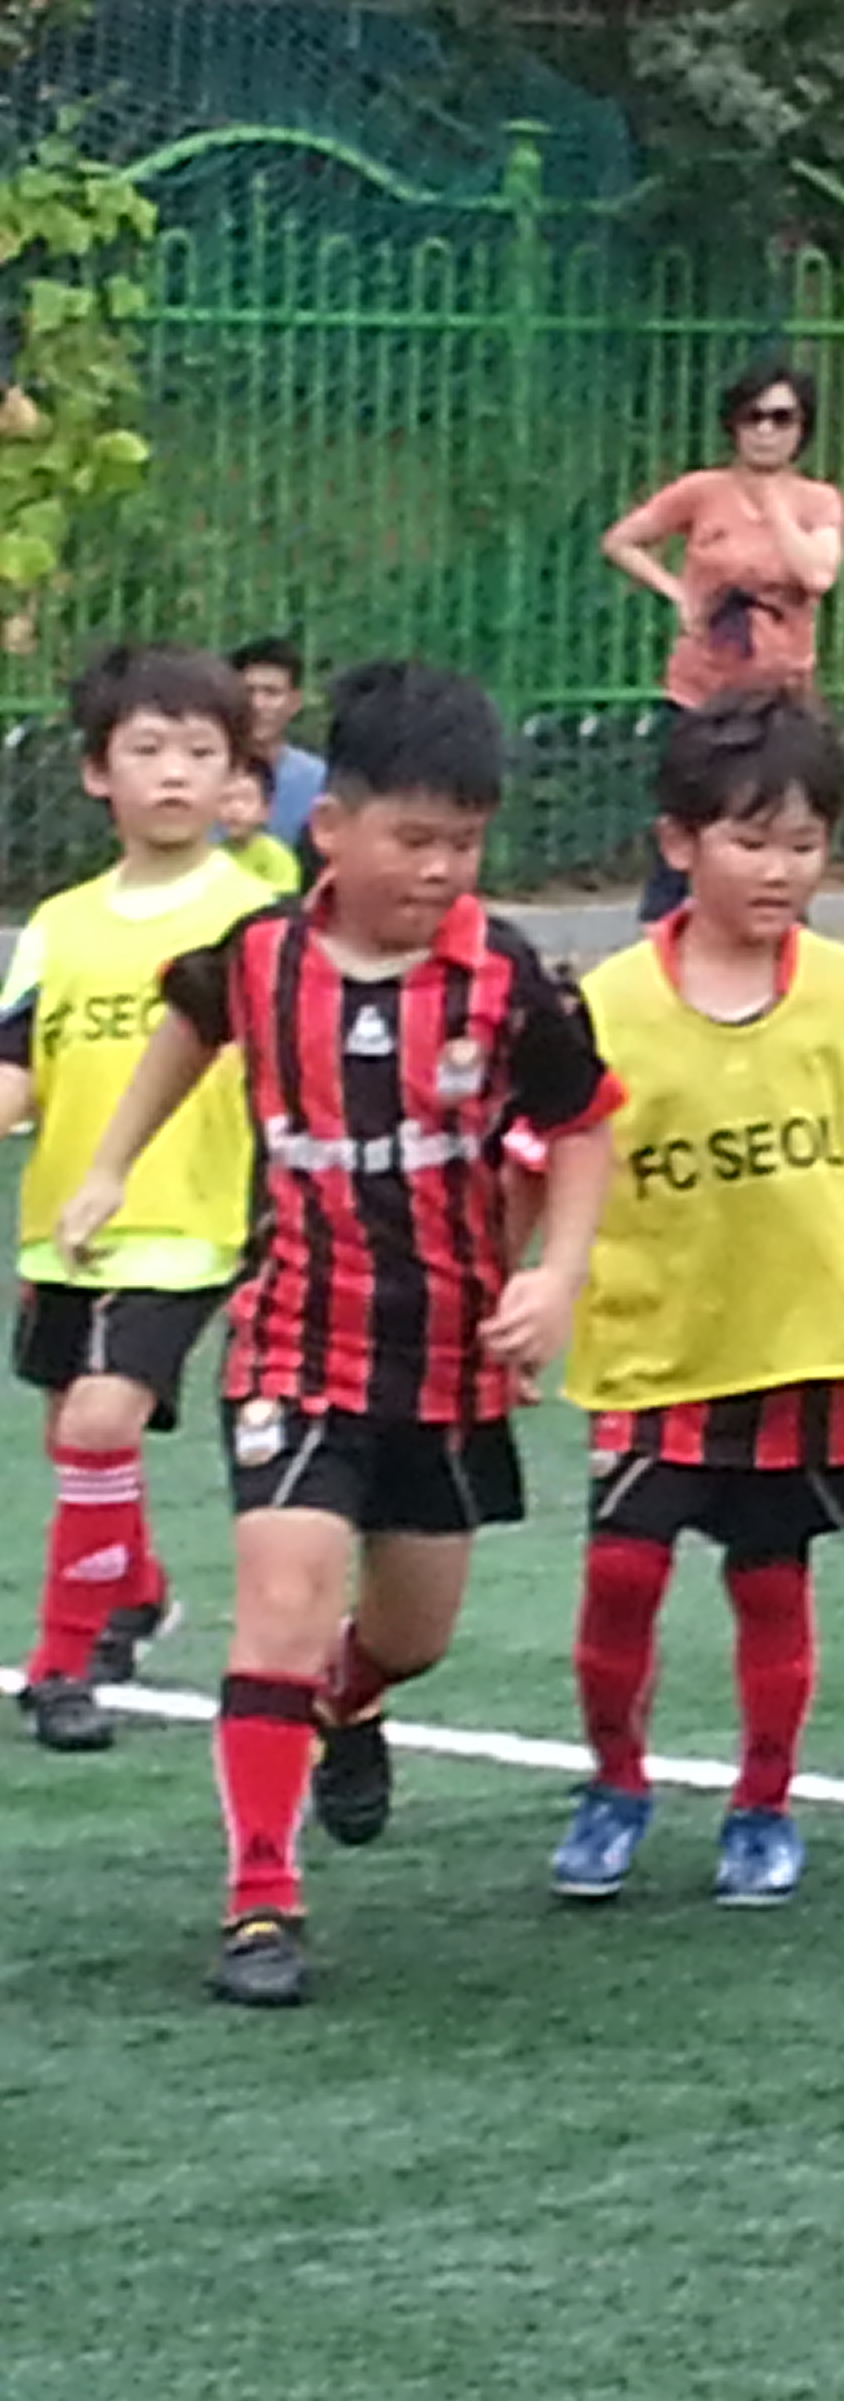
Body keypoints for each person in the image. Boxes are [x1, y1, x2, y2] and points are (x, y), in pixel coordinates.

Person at [56, 661, 620, 2008]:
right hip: (296, 1345)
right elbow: (186, 1025)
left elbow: (586, 1122)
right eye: (413, 839)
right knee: (282, 1605)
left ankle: (355, 1700)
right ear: (333, 827)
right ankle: (260, 1904)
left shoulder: (504, 976)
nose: (439, 870)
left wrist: (558, 1275)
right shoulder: (262, 956)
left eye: (463, 843)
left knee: (411, 1631)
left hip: (446, 1362)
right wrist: (110, 1166)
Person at [548, 696, 844, 1910]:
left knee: (772, 1581)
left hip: (799, 1347)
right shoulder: (609, 1002)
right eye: (751, 841)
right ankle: (614, 1785)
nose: (780, 870)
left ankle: (763, 1805)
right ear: (679, 843)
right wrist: (536, 1287)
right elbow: (550, 1156)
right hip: (652, 1347)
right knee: (622, 1570)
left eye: (805, 844)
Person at [0, 648, 284, 1752]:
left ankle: (62, 1667)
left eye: (200, 752)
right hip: (64, 1229)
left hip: (190, 1223)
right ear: (94, 773)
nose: (174, 772)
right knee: (73, 1438)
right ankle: (136, 1592)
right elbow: (20, 1065)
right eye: (147, 749)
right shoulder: (61, 924)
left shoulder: (258, 917)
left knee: (99, 1420)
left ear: (237, 778)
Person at [601, 362, 844, 921]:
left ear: (802, 428)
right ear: (733, 425)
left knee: (779, 818)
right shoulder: (702, 491)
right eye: (753, 418)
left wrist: (775, 505)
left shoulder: (817, 502)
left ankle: (782, 935)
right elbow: (622, 540)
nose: (766, 431)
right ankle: (663, 933)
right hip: (702, 692)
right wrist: (676, 592)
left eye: (781, 419)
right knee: (691, 820)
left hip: (780, 694)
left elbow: (817, 575)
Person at [225, 637, 327, 849]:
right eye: (248, 692)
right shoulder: (206, 770)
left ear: (294, 702)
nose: (257, 704)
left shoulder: (318, 780)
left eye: (271, 693)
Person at [216, 753, 304, 896]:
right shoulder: (214, 856)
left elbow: (285, 900)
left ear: (266, 810)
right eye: (226, 799)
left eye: (246, 800)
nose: (235, 808)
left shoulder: (277, 857)